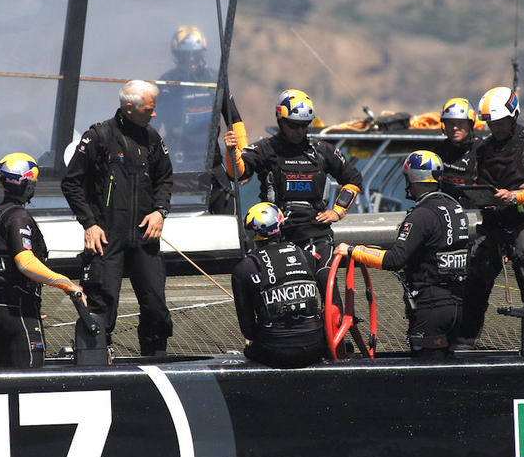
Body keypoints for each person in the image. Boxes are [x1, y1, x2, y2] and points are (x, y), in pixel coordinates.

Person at [60, 79, 174, 356]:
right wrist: (89, 224)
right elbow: (71, 183)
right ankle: (96, 360)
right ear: (129, 108)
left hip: (144, 237)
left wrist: (160, 212)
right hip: (106, 236)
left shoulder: (153, 138)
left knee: (156, 306)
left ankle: (156, 361)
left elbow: (165, 180)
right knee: (102, 304)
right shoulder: (98, 136)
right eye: (149, 109)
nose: (154, 114)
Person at [223, 88, 363, 302]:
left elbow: (353, 179)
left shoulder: (322, 150)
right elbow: (238, 173)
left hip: (316, 233)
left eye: (304, 125)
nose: (299, 131)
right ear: (280, 120)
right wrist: (231, 152)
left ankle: (336, 334)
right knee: (281, 291)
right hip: (278, 237)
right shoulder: (265, 149)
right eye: (293, 125)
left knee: (327, 282)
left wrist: (337, 211)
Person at [456, 86, 524, 349]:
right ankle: (464, 344)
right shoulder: (481, 149)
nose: (494, 127)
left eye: (499, 121)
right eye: (490, 122)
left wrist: (516, 196)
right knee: (474, 284)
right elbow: (472, 182)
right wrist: (469, 198)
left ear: (513, 115)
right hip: (492, 224)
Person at [339, 151, 470, 359]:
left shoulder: (420, 215)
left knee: (426, 375)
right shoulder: (456, 209)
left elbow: (394, 260)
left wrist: (352, 251)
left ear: (411, 179)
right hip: (460, 306)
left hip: (431, 307)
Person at [0, 153, 86, 368]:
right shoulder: (18, 216)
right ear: (27, 184)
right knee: (29, 380)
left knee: (2, 380)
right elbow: (25, 262)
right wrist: (69, 285)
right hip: (18, 310)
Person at [231, 202, 327, 368]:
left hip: (275, 351)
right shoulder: (306, 256)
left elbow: (248, 330)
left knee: (250, 350)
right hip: (316, 345)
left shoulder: (244, 268)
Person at [157, 25, 234, 214]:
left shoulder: (214, 78)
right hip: (179, 165)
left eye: (196, 54)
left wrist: (241, 163)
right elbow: (152, 126)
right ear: (177, 55)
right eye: (185, 55)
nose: (191, 59)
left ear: (202, 54)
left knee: (229, 214)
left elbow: (235, 118)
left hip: (211, 162)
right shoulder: (167, 82)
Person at [434, 97, 484, 201]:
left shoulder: (482, 149)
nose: (455, 128)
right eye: (450, 123)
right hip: (445, 206)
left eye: (460, 123)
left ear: (470, 124)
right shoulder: (439, 150)